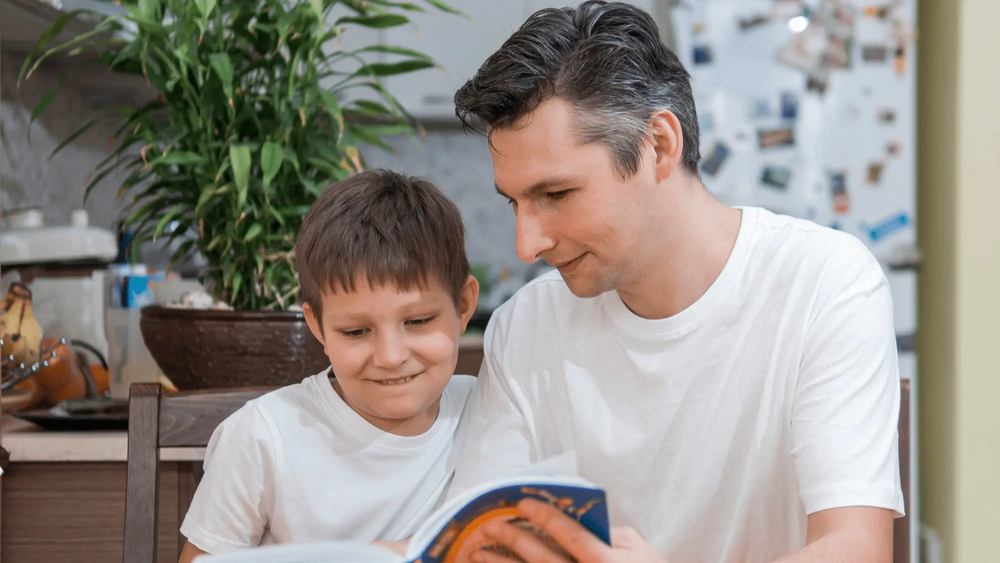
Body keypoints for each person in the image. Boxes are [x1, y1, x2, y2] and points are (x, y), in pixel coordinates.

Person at [447, 2, 904, 562]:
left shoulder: (824, 284)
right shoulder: (527, 326)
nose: (528, 245)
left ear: (658, 146)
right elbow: (481, 544)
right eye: (515, 203)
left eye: (557, 195)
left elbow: (855, 548)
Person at [177, 170, 480, 561]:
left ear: (462, 306)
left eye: (418, 322)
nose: (390, 356)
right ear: (317, 326)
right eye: (356, 331)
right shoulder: (262, 437)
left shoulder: (489, 408)